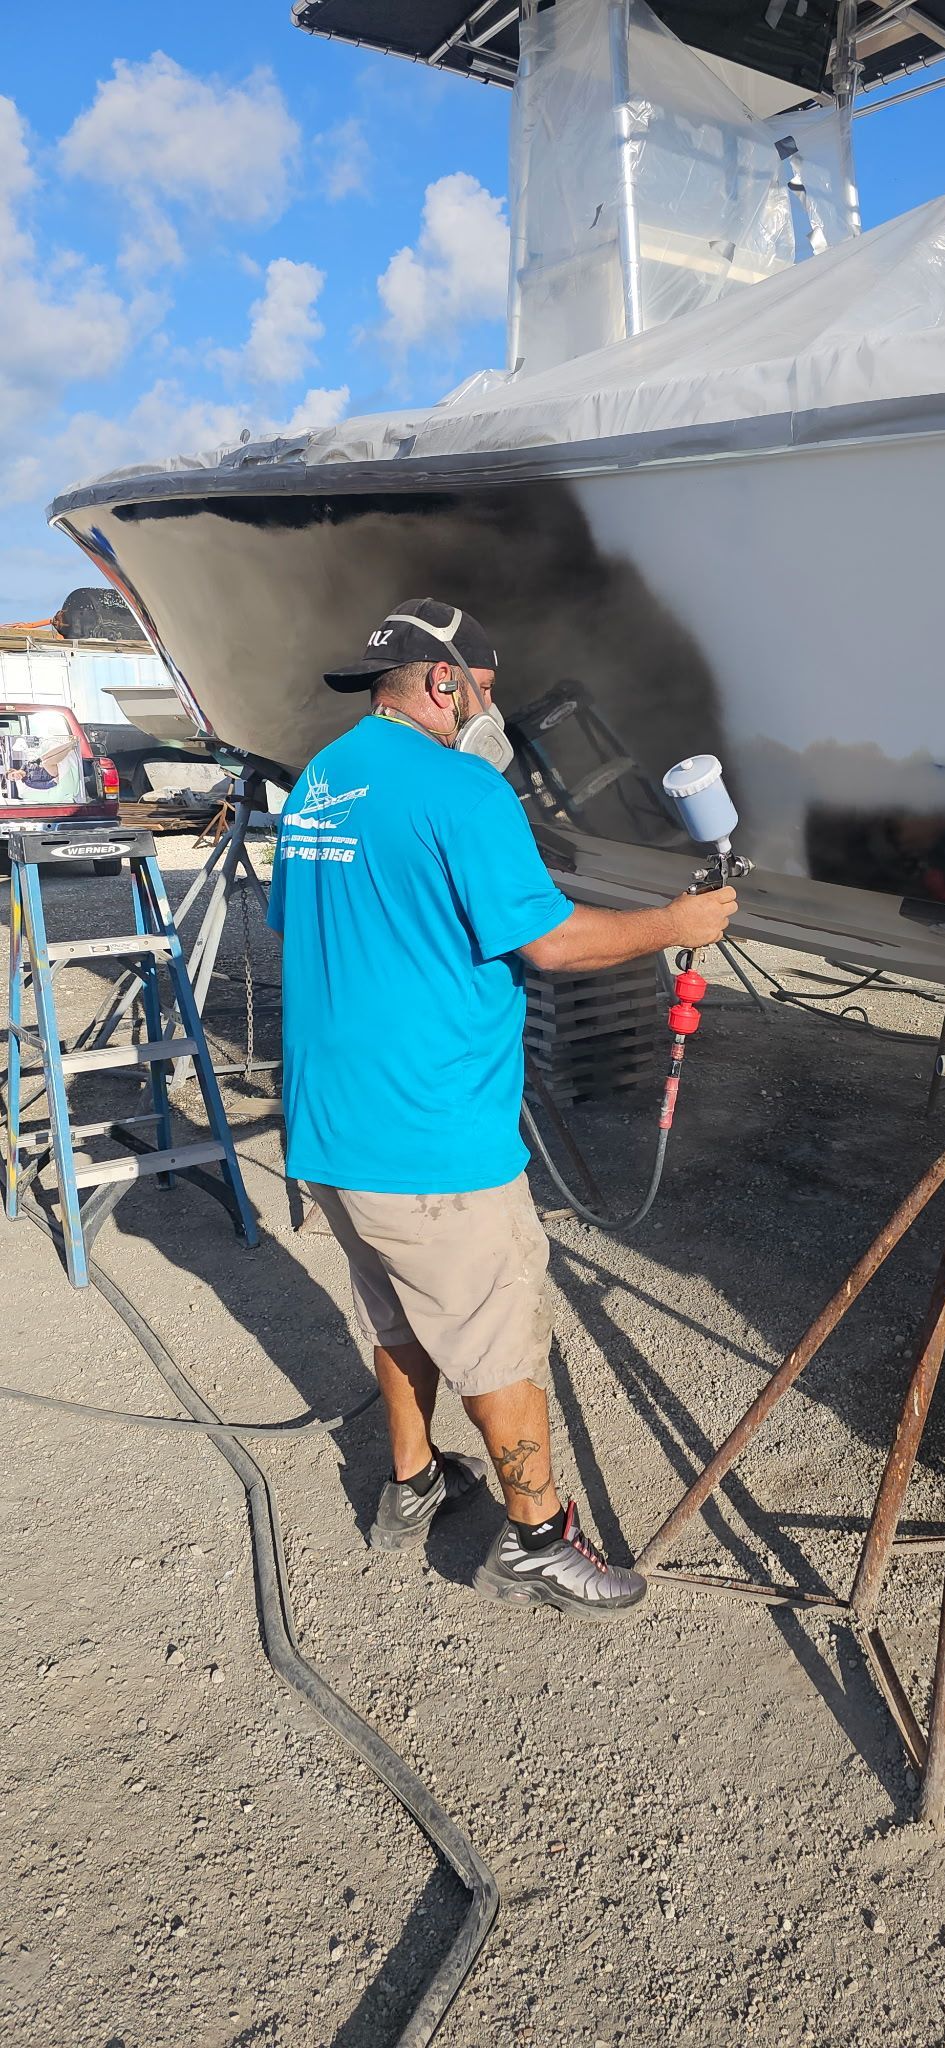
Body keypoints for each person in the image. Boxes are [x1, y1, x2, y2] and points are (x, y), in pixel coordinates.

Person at [269, 598, 736, 1616]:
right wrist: (679, 918)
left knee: (397, 1312)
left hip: (330, 1127)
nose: (496, 710)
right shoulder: (463, 791)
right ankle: (535, 1538)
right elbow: (554, 942)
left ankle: (412, 1484)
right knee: (497, 1338)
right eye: (489, 689)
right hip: (431, 1136)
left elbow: (320, 926)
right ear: (449, 683)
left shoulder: (318, 783)